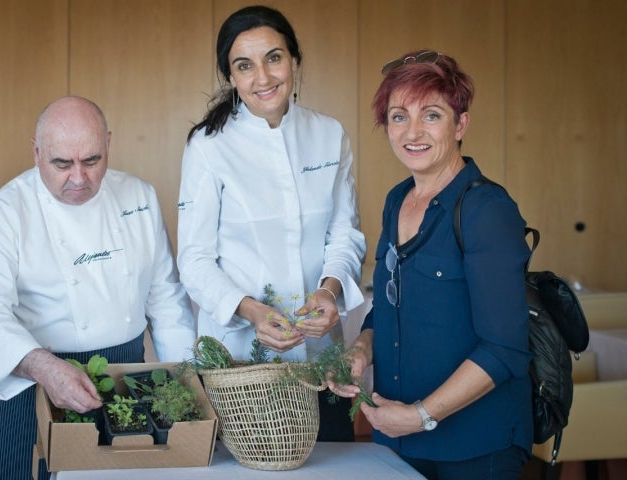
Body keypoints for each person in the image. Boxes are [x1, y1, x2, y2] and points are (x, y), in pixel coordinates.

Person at [0, 95, 196, 479]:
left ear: (109, 144)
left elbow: (165, 298)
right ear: (36, 152)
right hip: (29, 385)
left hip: (124, 386)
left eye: (92, 160)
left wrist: (187, 383)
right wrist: (45, 368)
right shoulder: (3, 212)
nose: (79, 178)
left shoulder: (140, 197)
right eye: (62, 164)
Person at [328, 50, 533, 479]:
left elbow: (505, 349)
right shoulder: (395, 200)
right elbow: (387, 306)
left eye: (432, 115)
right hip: (398, 440)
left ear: (460, 125)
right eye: (399, 116)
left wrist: (422, 415)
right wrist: (362, 349)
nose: (413, 132)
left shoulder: (486, 209)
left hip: (476, 446)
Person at [177, 5, 366, 441]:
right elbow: (195, 260)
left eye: (274, 58)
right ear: (231, 77)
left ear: (294, 60)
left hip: (320, 360)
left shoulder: (329, 133)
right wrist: (252, 311)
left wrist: (329, 288)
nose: (262, 78)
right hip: (239, 364)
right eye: (244, 66)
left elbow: (345, 235)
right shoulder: (208, 147)